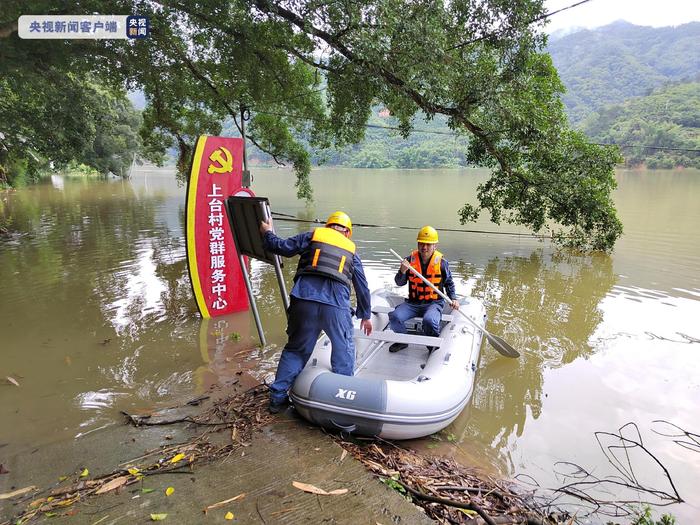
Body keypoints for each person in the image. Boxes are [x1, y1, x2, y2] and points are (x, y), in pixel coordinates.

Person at [260, 211, 373, 413]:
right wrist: (365, 315)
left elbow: (280, 247)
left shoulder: (311, 236)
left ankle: (277, 399)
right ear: (348, 232)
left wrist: (268, 232)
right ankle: (341, 402)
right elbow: (362, 287)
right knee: (343, 348)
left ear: (328, 226)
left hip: (303, 300)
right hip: (336, 307)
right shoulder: (352, 252)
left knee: (295, 349)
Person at [388, 226, 459, 353]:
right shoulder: (409, 261)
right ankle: (402, 340)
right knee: (394, 316)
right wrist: (402, 271)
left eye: (428, 244)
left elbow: (449, 283)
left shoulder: (442, 263)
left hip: (433, 303)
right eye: (421, 244)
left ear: (434, 246)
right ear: (418, 244)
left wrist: (453, 298)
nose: (424, 247)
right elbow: (399, 282)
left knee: (429, 320)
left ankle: (432, 345)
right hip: (412, 303)